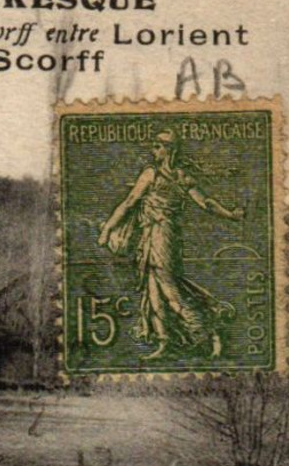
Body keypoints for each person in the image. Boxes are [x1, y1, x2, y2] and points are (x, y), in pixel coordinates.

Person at [97, 129, 244, 360]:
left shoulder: (154, 174)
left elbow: (129, 202)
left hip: (162, 235)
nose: (153, 151)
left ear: (169, 150)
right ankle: (164, 343)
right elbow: (206, 203)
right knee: (152, 288)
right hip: (152, 235)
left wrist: (107, 229)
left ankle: (209, 331)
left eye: (157, 146)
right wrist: (231, 215)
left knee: (169, 288)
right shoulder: (180, 176)